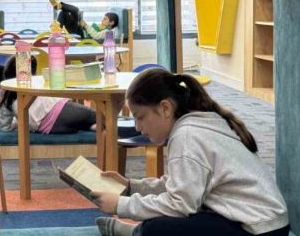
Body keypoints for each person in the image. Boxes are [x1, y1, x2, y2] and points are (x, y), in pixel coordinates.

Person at [91, 69, 289, 236]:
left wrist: (121, 205)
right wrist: (132, 187)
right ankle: (137, 232)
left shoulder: (186, 137)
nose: (137, 127)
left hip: (258, 229)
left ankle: (137, 233)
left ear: (165, 108)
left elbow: (179, 205)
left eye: (140, 117)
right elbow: (181, 186)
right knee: (163, 220)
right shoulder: (196, 124)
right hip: (265, 224)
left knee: (157, 228)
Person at [0, 55, 97, 134]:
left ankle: (93, 127)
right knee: (100, 116)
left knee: (84, 124)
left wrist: (18, 123)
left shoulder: (8, 99)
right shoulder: (36, 81)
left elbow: (4, 127)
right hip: (61, 110)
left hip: (49, 129)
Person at [49, 0, 120, 41]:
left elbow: (96, 36)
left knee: (75, 10)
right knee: (64, 12)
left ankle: (60, 6)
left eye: (105, 19)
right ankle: (59, 6)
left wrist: (85, 26)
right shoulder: (103, 27)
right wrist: (82, 24)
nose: (102, 20)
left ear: (112, 22)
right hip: (80, 30)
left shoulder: (108, 32)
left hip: (82, 35)